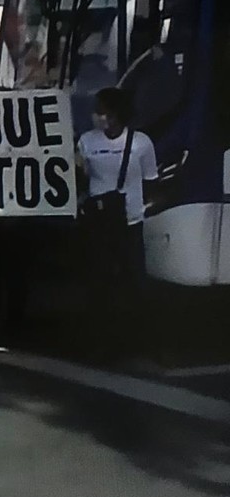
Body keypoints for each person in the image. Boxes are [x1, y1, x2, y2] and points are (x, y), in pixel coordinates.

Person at [77, 86, 158, 328]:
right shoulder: (86, 141)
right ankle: (103, 333)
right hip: (99, 222)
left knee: (135, 281)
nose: (97, 116)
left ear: (115, 113)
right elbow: (80, 176)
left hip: (130, 222)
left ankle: (139, 331)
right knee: (99, 282)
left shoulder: (141, 143)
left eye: (101, 111)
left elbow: (151, 181)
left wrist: (144, 208)